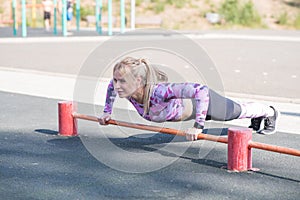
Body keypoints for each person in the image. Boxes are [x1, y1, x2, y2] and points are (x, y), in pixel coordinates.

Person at [98, 57, 279, 141]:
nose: (116, 85)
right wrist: (107, 112)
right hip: (192, 112)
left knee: (237, 112)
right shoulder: (123, 89)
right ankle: (257, 116)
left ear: (138, 81)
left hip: (205, 105)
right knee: (238, 112)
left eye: (122, 81)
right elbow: (110, 89)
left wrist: (198, 126)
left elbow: (200, 91)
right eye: (115, 80)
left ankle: (270, 112)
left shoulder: (159, 92)